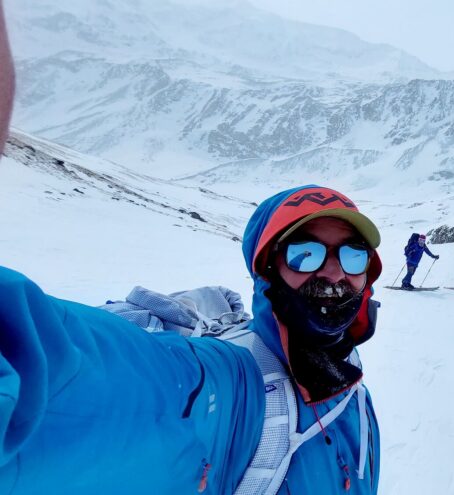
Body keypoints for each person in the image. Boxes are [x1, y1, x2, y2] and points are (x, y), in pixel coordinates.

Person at [0, 9, 382, 492]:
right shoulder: (223, 384)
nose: (333, 273)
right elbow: (62, 377)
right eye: (304, 254)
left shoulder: (355, 398)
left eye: (352, 256)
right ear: (266, 269)